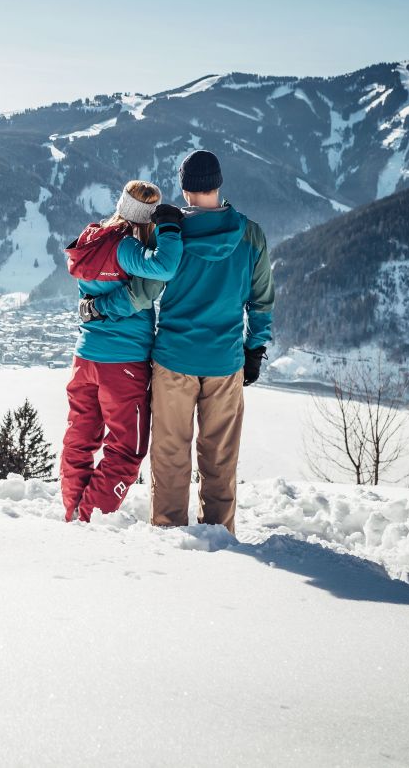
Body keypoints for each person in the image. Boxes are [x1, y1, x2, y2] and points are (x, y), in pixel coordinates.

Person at [92, 150, 273, 532]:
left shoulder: (172, 232)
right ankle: (219, 535)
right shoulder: (250, 234)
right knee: (220, 458)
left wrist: (98, 307)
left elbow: (142, 293)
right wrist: (254, 349)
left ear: (185, 187)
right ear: (218, 183)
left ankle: (170, 537)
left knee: (171, 454)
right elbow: (261, 302)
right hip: (225, 364)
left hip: (174, 361)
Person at [59, 180, 183, 522]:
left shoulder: (92, 238)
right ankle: (90, 518)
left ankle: (73, 513)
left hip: (85, 357)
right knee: (128, 449)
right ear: (147, 216)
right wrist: (170, 228)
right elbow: (165, 267)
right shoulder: (125, 247)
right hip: (123, 363)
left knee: (80, 437)